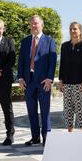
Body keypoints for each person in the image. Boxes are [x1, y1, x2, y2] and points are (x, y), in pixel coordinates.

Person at [17, 15, 57, 146]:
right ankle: (35, 137)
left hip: (43, 82)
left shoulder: (50, 41)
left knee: (45, 111)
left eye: (36, 23)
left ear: (42, 25)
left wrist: (49, 78)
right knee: (31, 110)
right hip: (28, 81)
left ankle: (47, 137)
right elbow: (21, 61)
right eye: (32, 24)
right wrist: (21, 77)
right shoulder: (25, 41)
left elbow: (52, 62)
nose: (34, 26)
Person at [59, 22, 82, 132]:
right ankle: (70, 135)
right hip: (67, 84)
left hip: (81, 84)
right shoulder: (64, 46)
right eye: (71, 29)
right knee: (68, 111)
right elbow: (62, 64)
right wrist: (60, 80)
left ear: (80, 31)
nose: (73, 31)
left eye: (75, 29)